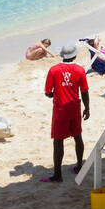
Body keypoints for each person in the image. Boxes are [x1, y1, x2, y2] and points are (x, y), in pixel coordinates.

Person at [43, 43, 90, 183]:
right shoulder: (80, 70)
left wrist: (54, 94)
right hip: (75, 107)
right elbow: (85, 91)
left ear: (62, 56)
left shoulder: (53, 70)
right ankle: (79, 166)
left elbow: (47, 92)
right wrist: (87, 108)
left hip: (60, 109)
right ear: (74, 56)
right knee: (77, 137)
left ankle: (57, 175)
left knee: (58, 141)